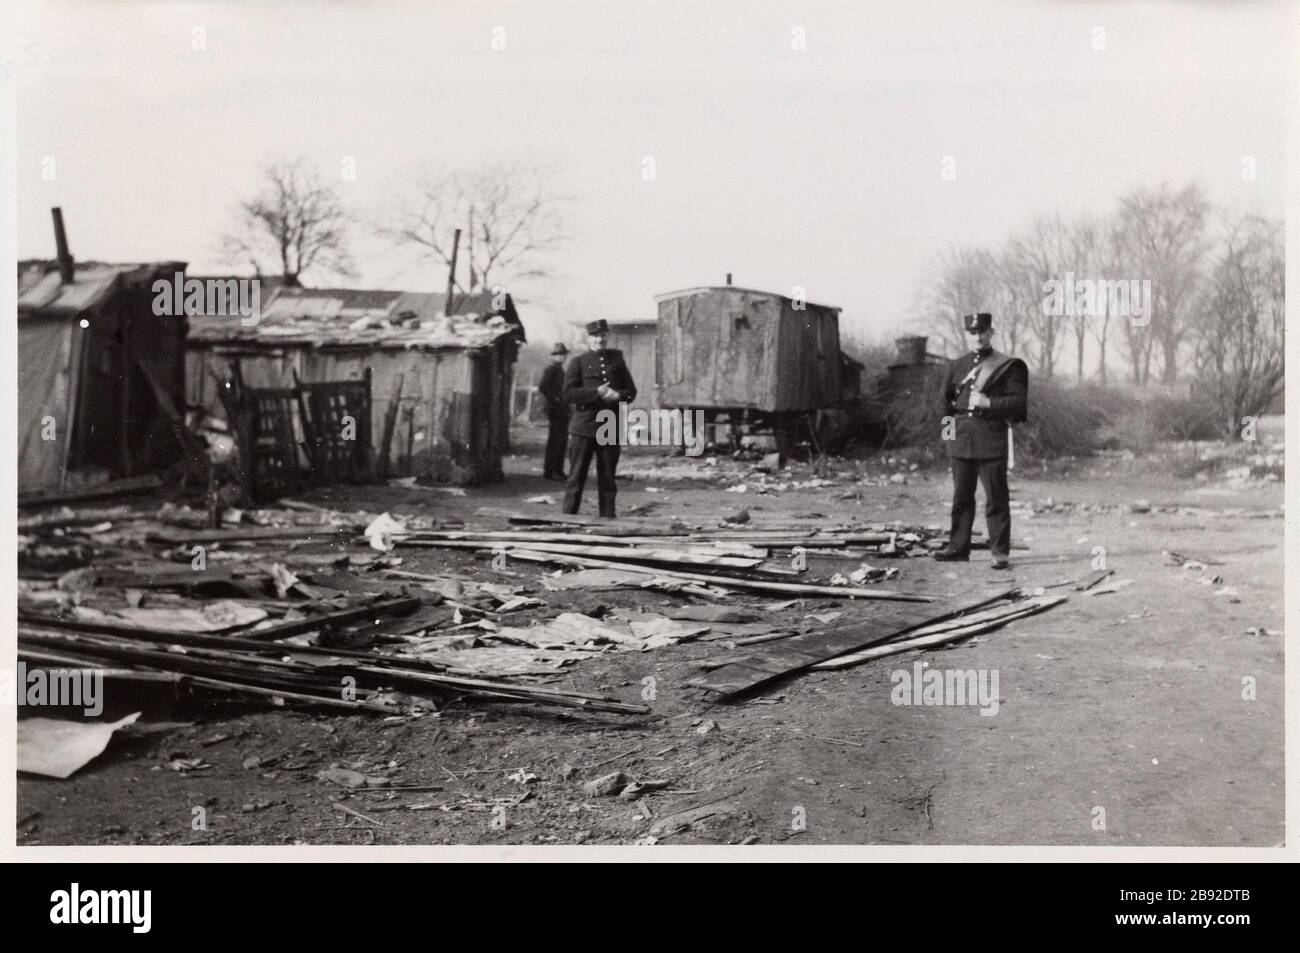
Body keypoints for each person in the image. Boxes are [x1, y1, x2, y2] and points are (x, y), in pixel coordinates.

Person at [933, 312, 1029, 569]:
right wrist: (949, 442)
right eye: (973, 333)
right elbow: (945, 407)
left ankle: (999, 552)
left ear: (991, 333)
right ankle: (958, 547)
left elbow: (1019, 405)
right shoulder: (956, 366)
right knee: (961, 498)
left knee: (996, 498)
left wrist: (989, 403)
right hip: (961, 441)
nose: (978, 336)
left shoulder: (1006, 366)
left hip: (991, 439)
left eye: (982, 332)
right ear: (967, 335)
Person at [562, 319, 637, 518]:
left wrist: (618, 396)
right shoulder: (578, 362)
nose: (600, 340)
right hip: (584, 427)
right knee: (576, 476)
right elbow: (568, 393)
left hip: (610, 427)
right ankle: (567, 519)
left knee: (608, 478)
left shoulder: (617, 361)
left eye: (603, 335)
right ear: (589, 339)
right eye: (595, 336)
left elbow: (631, 391)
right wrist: (595, 392)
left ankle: (608, 521)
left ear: (607, 336)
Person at [538, 342, 570, 480]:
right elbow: (543, 386)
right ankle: (551, 471)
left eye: (564, 355)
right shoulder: (551, 369)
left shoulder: (559, 370)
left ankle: (556, 470)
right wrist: (555, 399)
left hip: (561, 410)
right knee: (556, 441)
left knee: (560, 441)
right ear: (554, 356)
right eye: (559, 355)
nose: (563, 357)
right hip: (556, 410)